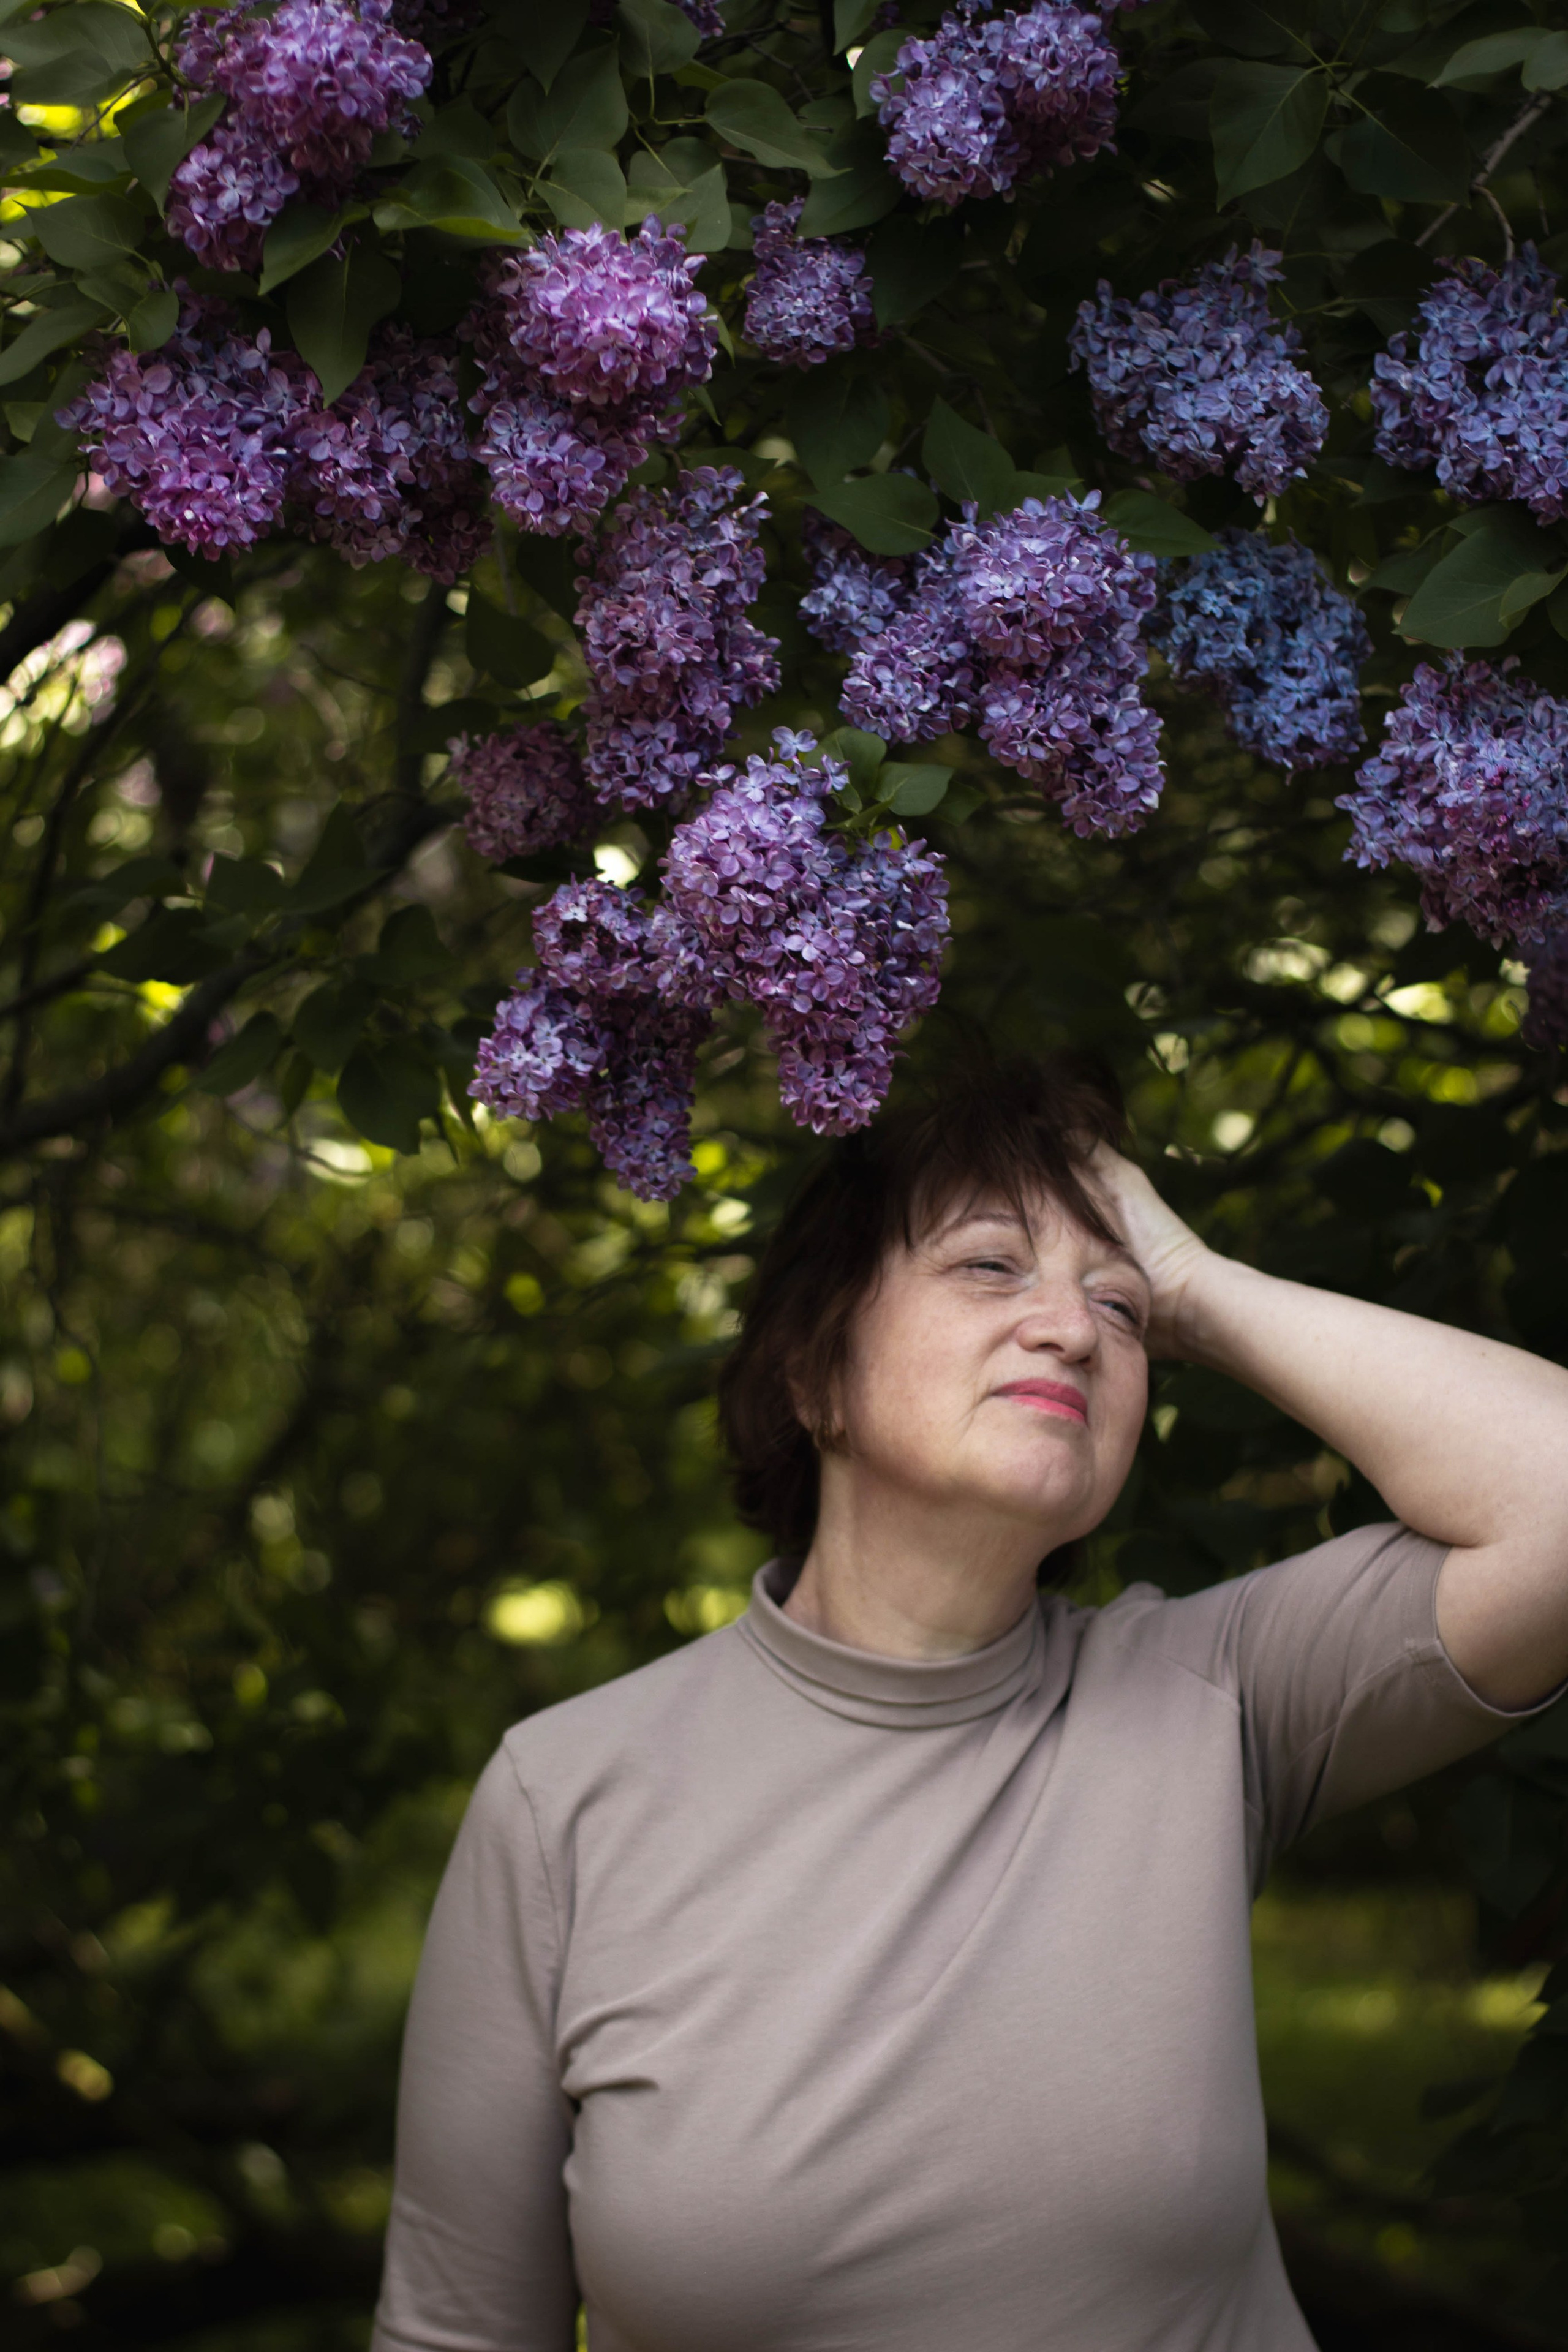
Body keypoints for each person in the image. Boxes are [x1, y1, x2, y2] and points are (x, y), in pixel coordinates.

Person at [370, 1055, 1568, 2352]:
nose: (1068, 1326)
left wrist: (1197, 1286)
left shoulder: (1206, 1697)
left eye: (1116, 1307)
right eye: (990, 1266)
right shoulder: (563, 1804)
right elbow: (457, 2335)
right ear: (811, 1371)